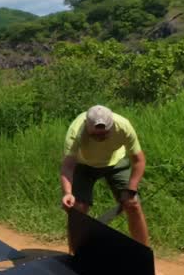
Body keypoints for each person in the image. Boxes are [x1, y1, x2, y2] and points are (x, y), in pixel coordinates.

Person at [59, 104, 152, 256]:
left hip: (116, 161)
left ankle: (144, 258)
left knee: (133, 204)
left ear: (112, 125)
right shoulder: (75, 132)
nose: (100, 138)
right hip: (84, 165)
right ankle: (74, 256)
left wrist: (131, 189)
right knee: (77, 209)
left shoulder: (123, 126)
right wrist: (67, 193)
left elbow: (139, 160)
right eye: (95, 135)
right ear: (86, 126)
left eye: (105, 133)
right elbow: (68, 166)